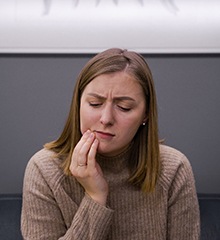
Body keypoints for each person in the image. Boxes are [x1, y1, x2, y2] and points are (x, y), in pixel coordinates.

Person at [21, 48, 200, 239]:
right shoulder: (43, 170)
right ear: (78, 104)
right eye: (95, 104)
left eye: (124, 107)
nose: (106, 119)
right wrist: (95, 198)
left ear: (145, 114)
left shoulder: (174, 168)